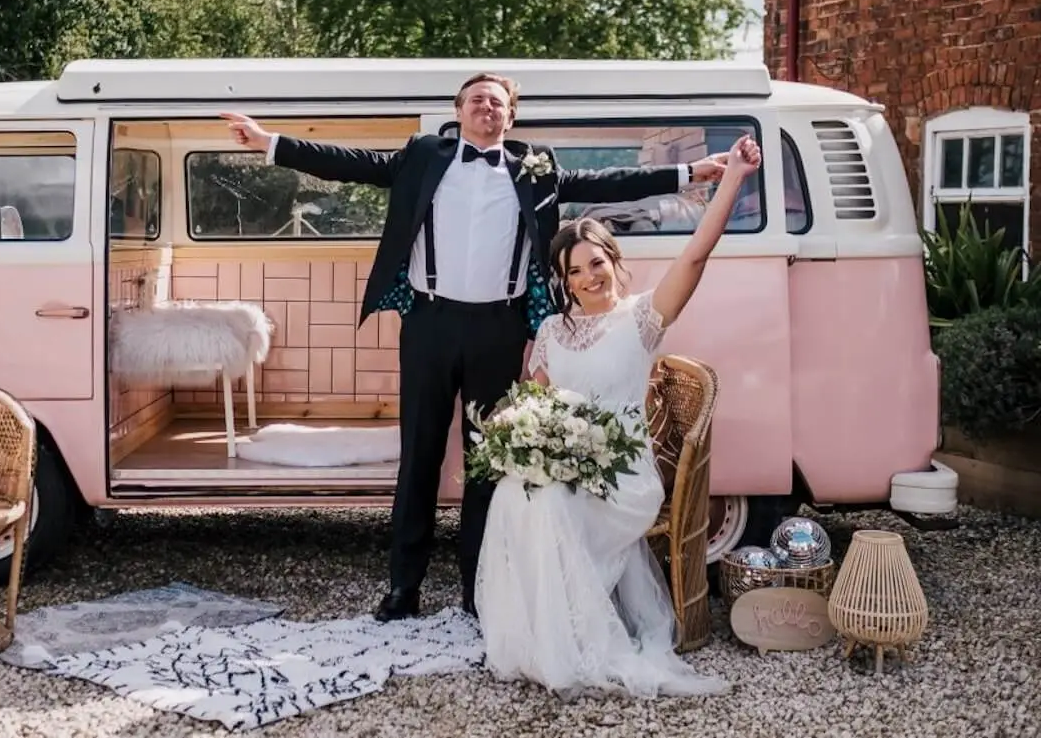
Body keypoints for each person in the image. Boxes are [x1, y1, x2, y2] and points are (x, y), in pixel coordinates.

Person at [222, 72, 733, 623]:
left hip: (501, 329)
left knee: (488, 459)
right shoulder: (423, 154)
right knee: (418, 456)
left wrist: (687, 172)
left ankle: (478, 587)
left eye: (497, 101)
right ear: (459, 111)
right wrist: (271, 142)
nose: (487, 107)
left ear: (510, 117)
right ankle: (403, 588)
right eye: (476, 100)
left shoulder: (534, 166)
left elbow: (605, 182)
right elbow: (353, 163)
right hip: (429, 323)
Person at [473, 133, 762, 698]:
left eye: (596, 262)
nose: (588, 277)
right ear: (562, 280)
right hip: (569, 469)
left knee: (548, 503)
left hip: (624, 478)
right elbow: (533, 404)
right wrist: (508, 433)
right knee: (518, 491)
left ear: (613, 261)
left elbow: (696, 253)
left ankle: (575, 644)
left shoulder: (642, 318)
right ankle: (540, 638)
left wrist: (732, 179)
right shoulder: (552, 333)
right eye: (574, 271)